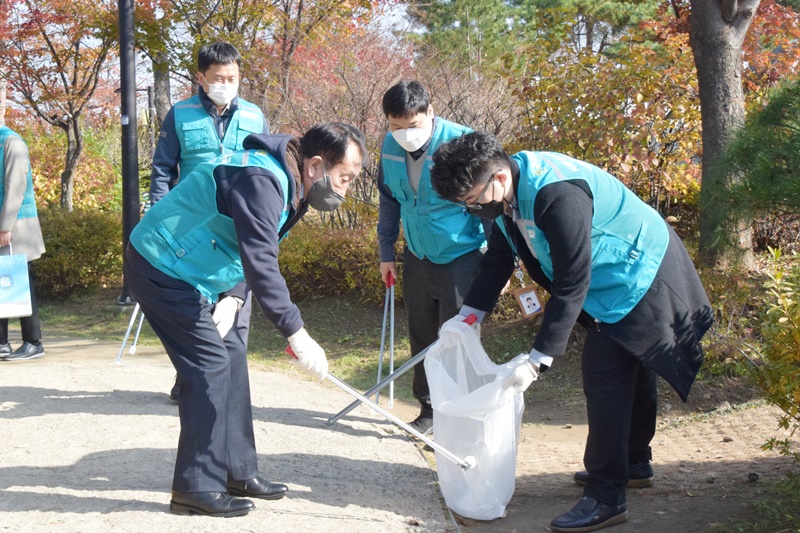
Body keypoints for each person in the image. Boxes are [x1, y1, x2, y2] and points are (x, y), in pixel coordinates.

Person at [430, 131, 713, 533]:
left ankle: (606, 495)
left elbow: (572, 282)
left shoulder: (556, 195)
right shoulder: (507, 196)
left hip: (641, 271)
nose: (472, 208)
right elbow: (499, 257)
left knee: (605, 373)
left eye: (472, 199)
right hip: (612, 276)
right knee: (634, 360)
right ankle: (633, 461)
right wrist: (469, 315)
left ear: (498, 178)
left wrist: (538, 358)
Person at [125, 123, 366, 517]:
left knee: (232, 357)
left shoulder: (294, 183)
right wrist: (297, 332)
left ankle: (237, 469)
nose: (345, 189)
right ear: (317, 165)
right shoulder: (261, 179)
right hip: (163, 265)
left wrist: (234, 297)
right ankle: (196, 488)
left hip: (206, 274)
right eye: (344, 178)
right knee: (209, 366)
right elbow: (262, 263)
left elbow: (249, 246)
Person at [149, 41, 270, 401]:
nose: (225, 83)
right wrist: (159, 213)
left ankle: (230, 381)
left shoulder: (254, 115)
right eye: (218, 78)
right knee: (191, 302)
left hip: (237, 220)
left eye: (232, 77)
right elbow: (162, 170)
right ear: (201, 78)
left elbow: (266, 165)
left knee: (233, 296)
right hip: (191, 222)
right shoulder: (180, 113)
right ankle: (188, 377)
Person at [377, 81, 486, 434]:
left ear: (430, 113)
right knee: (422, 335)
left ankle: (460, 414)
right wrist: (386, 252)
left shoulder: (461, 144)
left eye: (413, 125)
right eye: (396, 126)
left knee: (457, 338)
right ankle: (429, 410)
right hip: (417, 253)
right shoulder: (390, 147)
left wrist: (492, 259)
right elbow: (390, 199)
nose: (404, 134)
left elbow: (486, 203)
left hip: (462, 254)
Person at [0, 126, 46, 361]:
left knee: (21, 283)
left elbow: (15, 187)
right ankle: (2, 342)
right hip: (6, 224)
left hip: (16, 225)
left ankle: (33, 341)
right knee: (2, 283)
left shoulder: (11, 143)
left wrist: (5, 227)